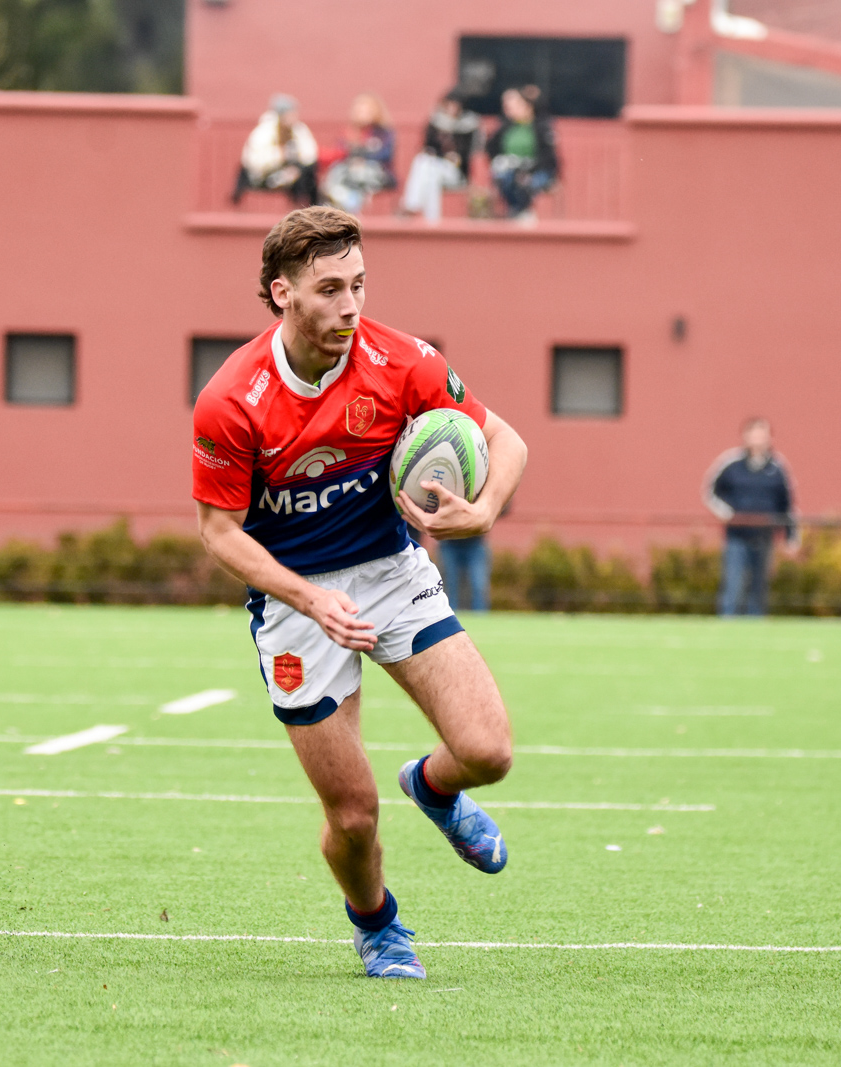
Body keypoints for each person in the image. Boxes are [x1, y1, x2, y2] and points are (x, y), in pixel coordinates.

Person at [192, 207, 528, 979]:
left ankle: (435, 789)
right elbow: (220, 533)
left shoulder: (403, 359)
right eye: (330, 288)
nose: (350, 305)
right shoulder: (232, 399)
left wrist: (486, 507)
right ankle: (378, 924)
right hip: (292, 602)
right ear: (283, 293)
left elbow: (507, 439)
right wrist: (310, 601)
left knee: (488, 750)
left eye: (360, 284)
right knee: (352, 814)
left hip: (390, 570)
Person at [702, 418, 799, 616]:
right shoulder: (731, 464)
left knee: (759, 589)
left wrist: (791, 537)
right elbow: (710, 491)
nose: (758, 438)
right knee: (733, 587)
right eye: (753, 433)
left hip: (764, 536)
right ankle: (727, 628)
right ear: (745, 436)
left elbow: (787, 505)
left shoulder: (778, 468)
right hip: (737, 536)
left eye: (762, 433)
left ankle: (756, 632)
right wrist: (728, 514)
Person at [399, 91, 483, 224]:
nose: (452, 108)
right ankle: (432, 220)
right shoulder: (435, 123)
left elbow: (468, 154)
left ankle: (411, 205)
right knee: (425, 164)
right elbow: (428, 147)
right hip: (435, 167)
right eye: (449, 105)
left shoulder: (469, 127)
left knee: (426, 165)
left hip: (456, 172)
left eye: (456, 105)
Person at [233, 95, 319, 208]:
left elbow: (311, 155)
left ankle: (310, 209)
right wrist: (280, 155)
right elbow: (254, 162)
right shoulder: (264, 132)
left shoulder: (299, 130)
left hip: (293, 175)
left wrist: (296, 164)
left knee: (310, 175)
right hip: (264, 176)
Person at [488, 86, 560, 222]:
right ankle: (517, 212)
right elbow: (491, 147)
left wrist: (529, 168)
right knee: (506, 180)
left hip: (538, 170)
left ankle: (521, 213)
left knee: (526, 185)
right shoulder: (506, 127)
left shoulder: (541, 126)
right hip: (511, 169)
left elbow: (548, 157)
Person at [322, 93, 396, 214]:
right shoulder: (350, 132)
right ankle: (337, 200)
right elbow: (340, 152)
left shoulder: (383, 133)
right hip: (348, 171)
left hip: (376, 173)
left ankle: (350, 204)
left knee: (358, 174)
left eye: (366, 110)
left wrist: (362, 156)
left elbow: (384, 154)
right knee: (337, 171)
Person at [438, 534, 491, 612]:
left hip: (475, 543)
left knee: (479, 586)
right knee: (450, 585)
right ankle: (450, 619)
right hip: (448, 544)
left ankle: (481, 619)